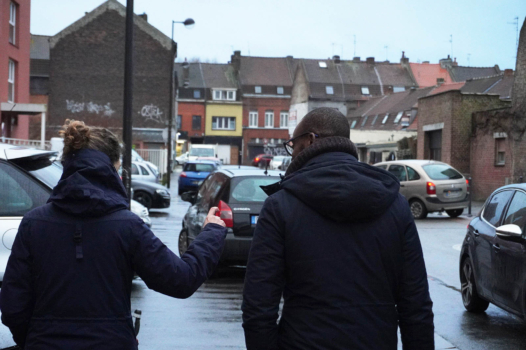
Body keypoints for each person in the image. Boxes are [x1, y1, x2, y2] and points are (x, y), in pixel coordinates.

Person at [0, 120, 227, 349]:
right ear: (111, 170)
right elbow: (181, 280)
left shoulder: (34, 224)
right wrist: (212, 232)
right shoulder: (127, 226)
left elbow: (13, 307)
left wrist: (34, 339)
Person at [242, 108, 434, 350]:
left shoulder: (280, 207)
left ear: (310, 140)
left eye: (294, 144)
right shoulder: (395, 205)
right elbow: (416, 305)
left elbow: (258, 307)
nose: (292, 155)